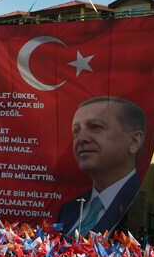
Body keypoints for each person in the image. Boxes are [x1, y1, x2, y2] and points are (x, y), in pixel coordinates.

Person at [57, 97, 146, 235]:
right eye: (76, 130)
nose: (80, 138)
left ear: (134, 141)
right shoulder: (68, 209)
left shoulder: (139, 209)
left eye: (95, 127)